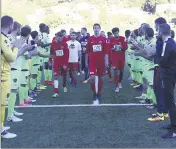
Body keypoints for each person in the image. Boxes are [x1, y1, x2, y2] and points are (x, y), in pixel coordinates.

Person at [158, 23, 176, 139]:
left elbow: (163, 61)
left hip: (169, 75)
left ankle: (174, 129)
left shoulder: (168, 44)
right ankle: (172, 124)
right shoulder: (171, 42)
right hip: (170, 74)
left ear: (161, 32)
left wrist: (158, 60)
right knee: (170, 101)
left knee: (170, 101)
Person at [1, 15, 17, 139]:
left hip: (4, 73)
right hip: (3, 75)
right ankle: (1, 130)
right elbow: (11, 57)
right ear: (10, 25)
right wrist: (15, 47)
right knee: (2, 103)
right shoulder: (3, 38)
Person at [85, 23, 108, 105]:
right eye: (95, 28)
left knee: (101, 78)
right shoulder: (90, 39)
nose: (96, 29)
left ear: (100, 29)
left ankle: (99, 93)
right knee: (92, 78)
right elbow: (87, 52)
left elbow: (106, 52)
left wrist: (106, 61)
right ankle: (94, 93)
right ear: (93, 29)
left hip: (101, 62)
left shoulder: (103, 39)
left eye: (98, 28)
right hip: (92, 62)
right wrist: (86, 61)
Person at [50, 32, 69, 97]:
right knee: (56, 77)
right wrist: (50, 61)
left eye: (61, 37)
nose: (59, 38)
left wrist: (65, 64)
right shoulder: (53, 44)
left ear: (62, 37)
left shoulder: (65, 44)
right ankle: (56, 92)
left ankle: (64, 85)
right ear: (56, 36)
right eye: (58, 37)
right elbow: (51, 53)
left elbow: (67, 55)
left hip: (63, 63)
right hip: (56, 63)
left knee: (64, 75)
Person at [109, 27, 128, 92]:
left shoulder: (123, 38)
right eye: (115, 33)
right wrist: (113, 48)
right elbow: (109, 48)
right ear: (113, 34)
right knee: (115, 72)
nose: (116, 34)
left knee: (121, 71)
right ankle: (116, 86)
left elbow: (125, 48)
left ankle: (119, 82)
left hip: (121, 57)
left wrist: (121, 46)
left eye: (117, 33)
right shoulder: (111, 39)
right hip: (114, 58)